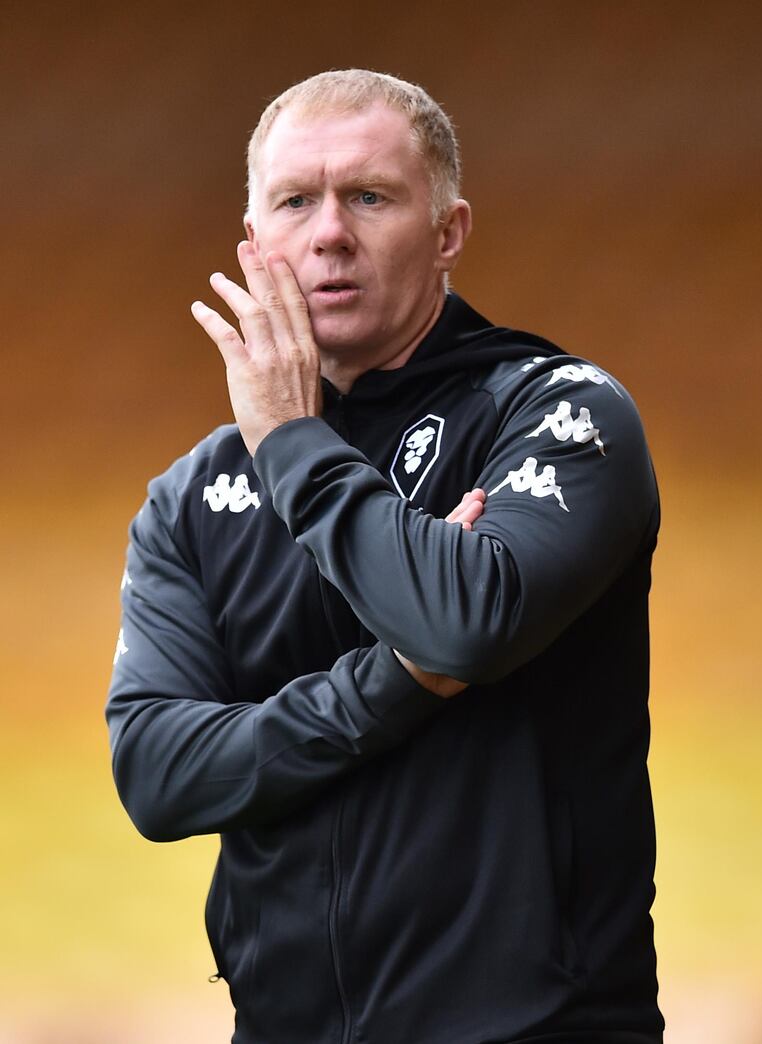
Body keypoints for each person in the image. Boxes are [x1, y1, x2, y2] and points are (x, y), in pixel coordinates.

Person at [107, 69, 664, 1044]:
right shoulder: (194, 498)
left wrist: (287, 439)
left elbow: (461, 622)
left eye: (369, 195)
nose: (329, 232)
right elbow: (158, 774)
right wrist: (395, 682)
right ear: (256, 243)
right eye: (295, 201)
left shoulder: (556, 413)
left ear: (447, 231)